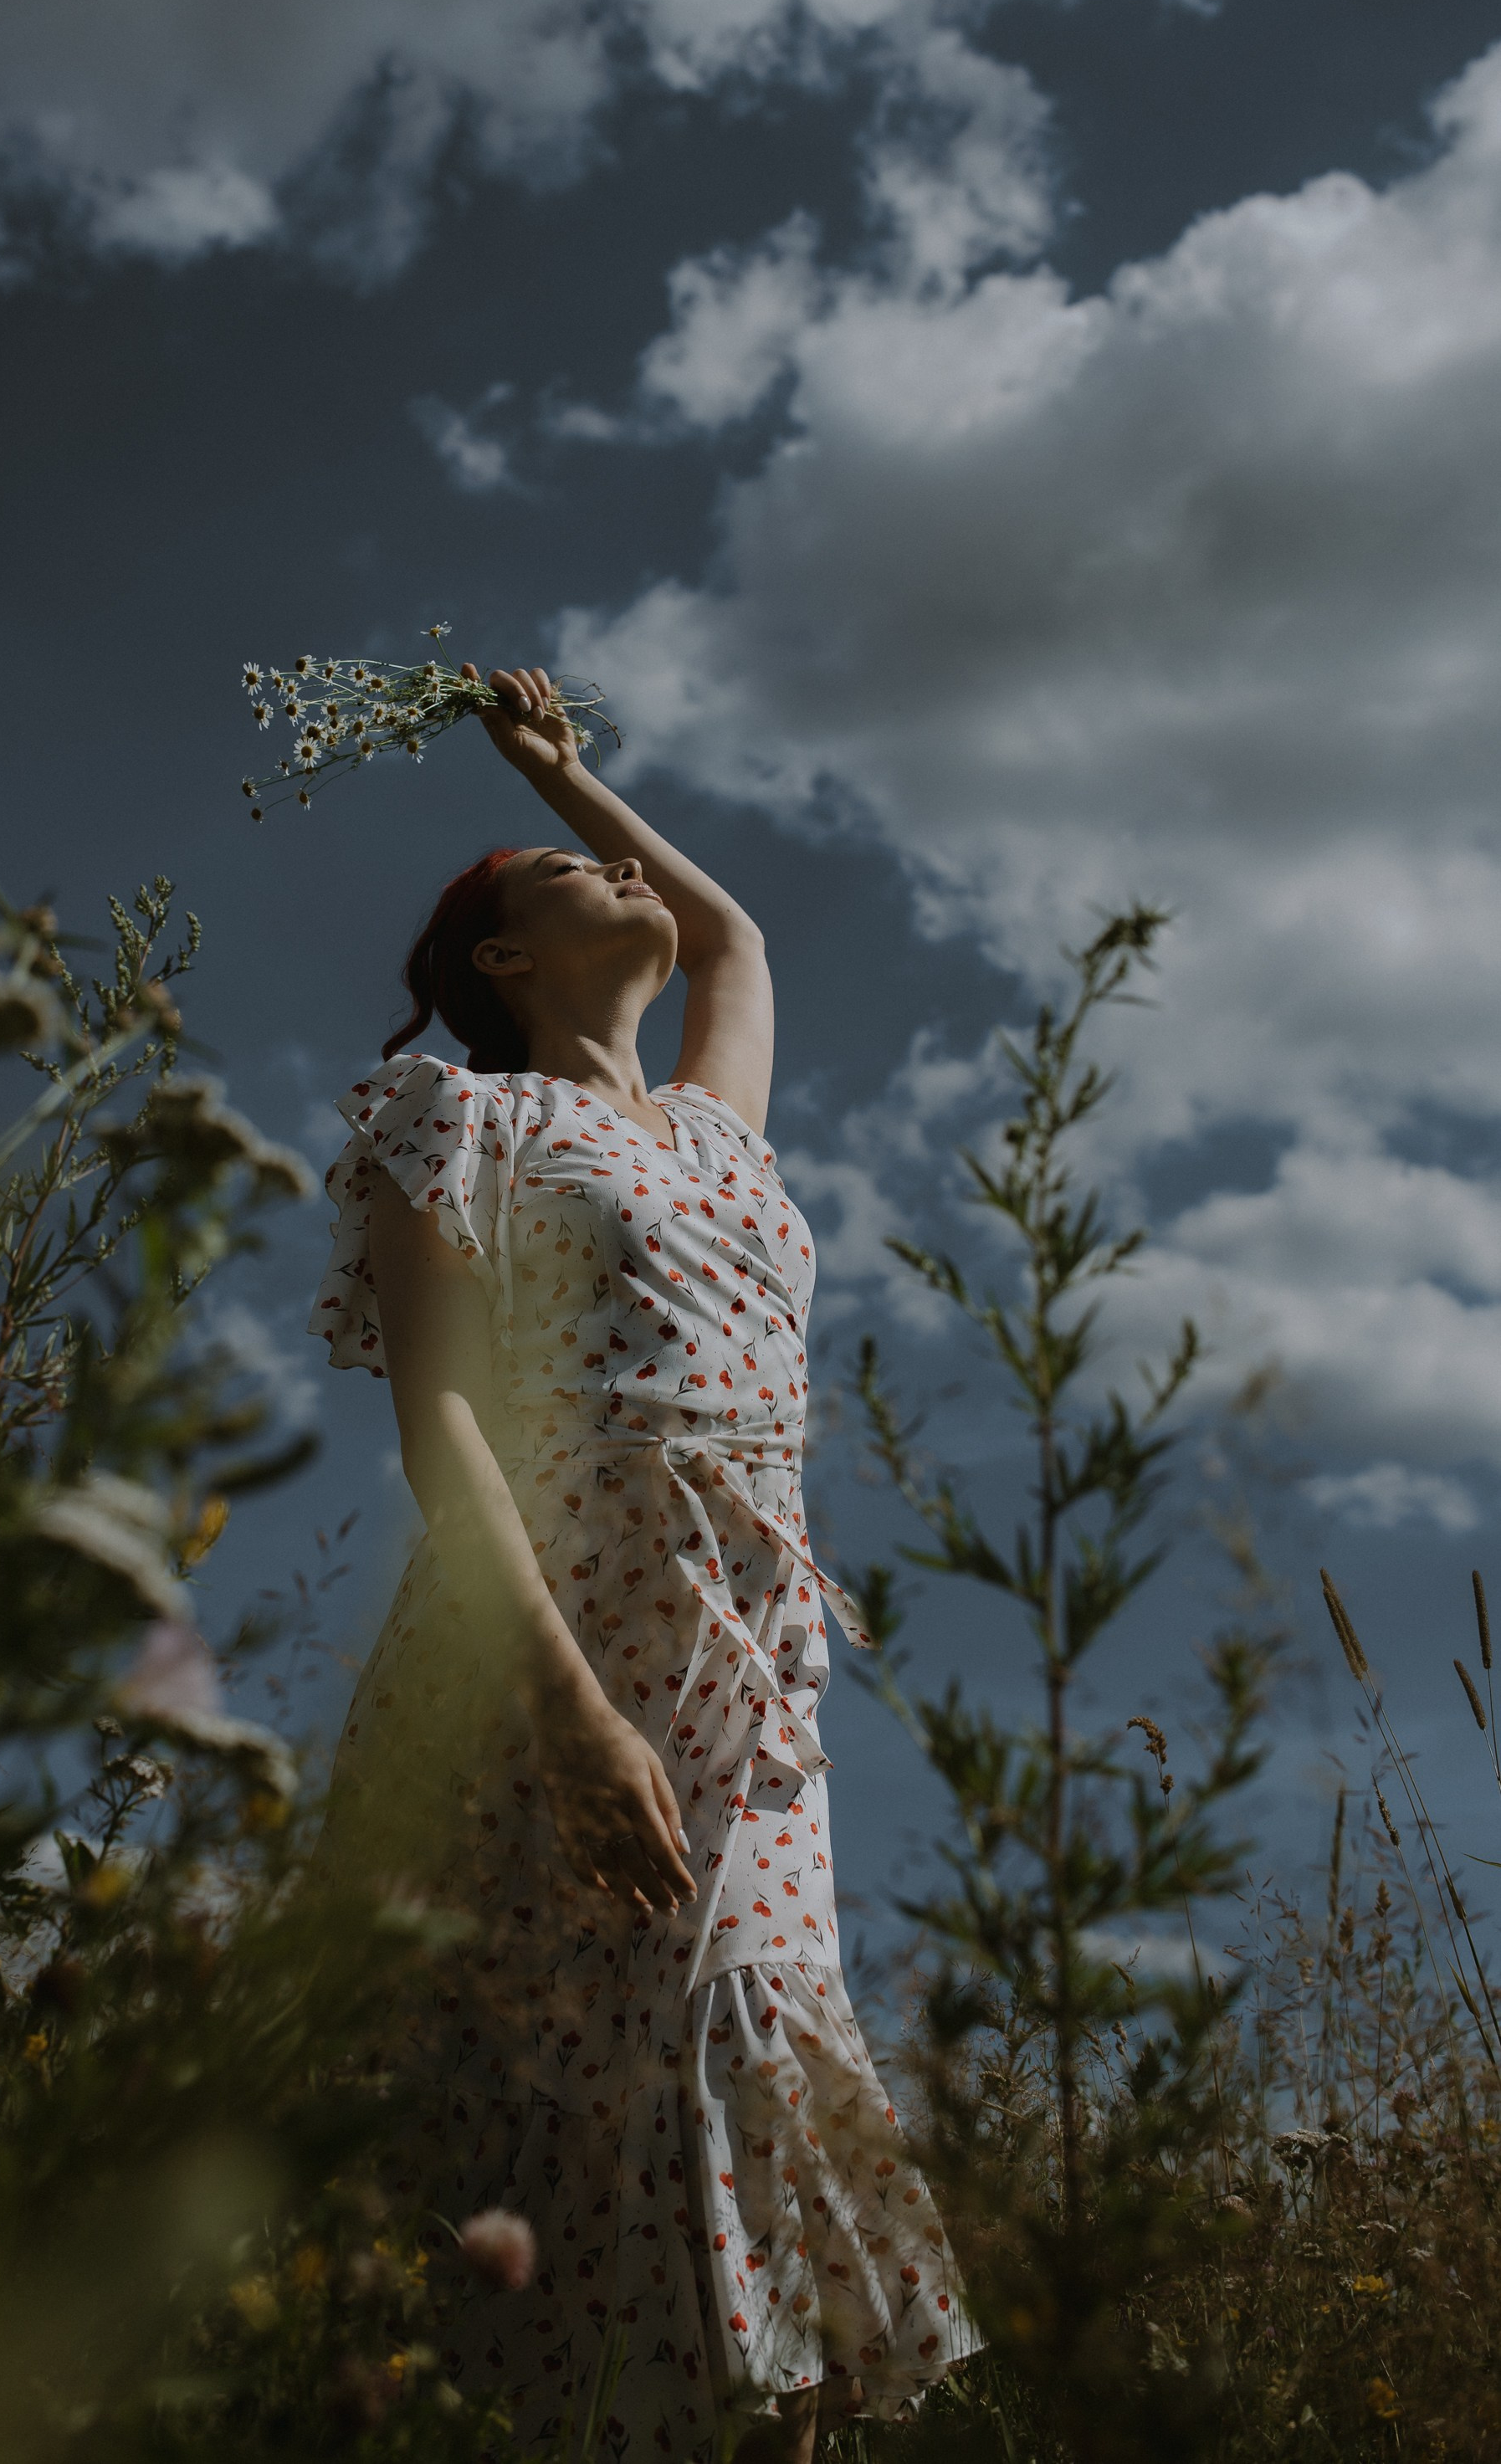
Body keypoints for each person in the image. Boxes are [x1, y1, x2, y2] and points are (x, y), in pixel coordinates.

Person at [310, 666, 973, 2461]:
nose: (622, 891)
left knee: (761, 2029)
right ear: (497, 966)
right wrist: (572, 1714)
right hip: (559, 1640)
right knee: (544, 2099)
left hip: (754, 1647)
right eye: (558, 870)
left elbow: (732, 928)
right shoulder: (455, 1123)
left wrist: (566, 777)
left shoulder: (712, 1129)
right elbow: (442, 1427)